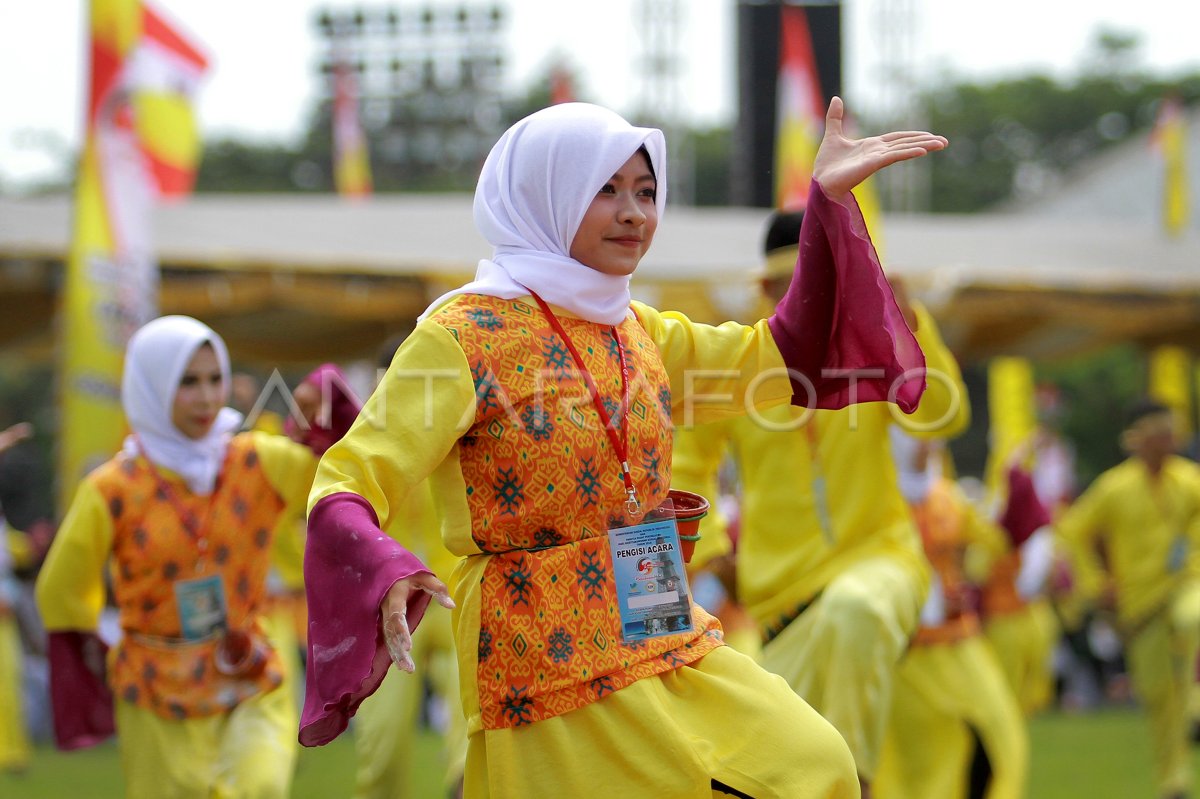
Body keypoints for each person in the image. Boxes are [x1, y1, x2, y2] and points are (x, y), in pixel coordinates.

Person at [298, 97, 948, 797]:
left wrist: (823, 207)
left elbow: (781, 356)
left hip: (660, 619)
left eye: (645, 191)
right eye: (606, 190)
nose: (635, 212)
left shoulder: (639, 330)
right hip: (544, 648)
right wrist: (380, 562)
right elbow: (349, 476)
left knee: (812, 765)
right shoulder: (460, 338)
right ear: (545, 194)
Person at [670, 211, 969, 796]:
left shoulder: (870, 348)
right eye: (791, 283)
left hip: (880, 561)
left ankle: (854, 780)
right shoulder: (736, 367)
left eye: (820, 280)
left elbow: (944, 415)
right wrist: (710, 553)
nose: (806, 296)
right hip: (780, 602)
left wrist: (912, 328)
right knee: (761, 775)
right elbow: (683, 465)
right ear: (764, 289)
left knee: (855, 611)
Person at [34, 315, 333, 799]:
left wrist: (328, 413)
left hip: (248, 669)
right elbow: (61, 588)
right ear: (152, 386)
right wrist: (89, 644)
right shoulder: (112, 489)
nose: (207, 397)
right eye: (187, 382)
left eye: (215, 379)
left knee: (261, 785)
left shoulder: (258, 460)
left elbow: (338, 484)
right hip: (155, 687)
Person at [1054, 398, 1200, 799]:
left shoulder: (1190, 481)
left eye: (1170, 433)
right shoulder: (1114, 488)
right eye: (1156, 435)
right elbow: (1070, 532)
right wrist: (1095, 583)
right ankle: (1175, 780)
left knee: (1194, 619)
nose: (1165, 442)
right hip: (1139, 607)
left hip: (1186, 587)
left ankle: (1197, 707)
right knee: (1158, 698)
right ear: (1135, 441)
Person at [873, 430, 1028, 799]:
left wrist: (1017, 492)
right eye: (912, 439)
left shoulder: (947, 498)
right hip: (904, 655)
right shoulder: (876, 505)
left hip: (959, 644)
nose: (926, 447)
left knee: (1002, 732)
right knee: (922, 756)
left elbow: (994, 541)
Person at [349, 336, 468, 799]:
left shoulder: (462, 432)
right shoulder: (358, 448)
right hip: (387, 608)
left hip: (455, 596)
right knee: (382, 760)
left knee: (475, 747)